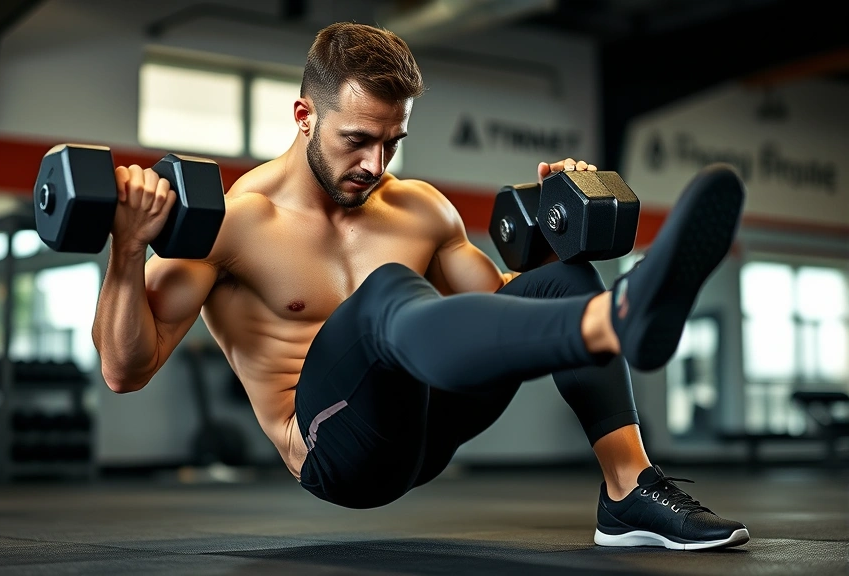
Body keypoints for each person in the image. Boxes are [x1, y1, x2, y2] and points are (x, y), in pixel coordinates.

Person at [92, 22, 749, 551]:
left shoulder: (422, 209)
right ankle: (616, 317)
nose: (374, 164)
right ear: (303, 115)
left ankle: (628, 492)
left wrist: (559, 232)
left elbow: (492, 310)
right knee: (386, 292)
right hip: (336, 454)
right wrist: (128, 246)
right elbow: (125, 370)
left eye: (391, 142)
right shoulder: (233, 222)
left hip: (431, 430)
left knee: (562, 281)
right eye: (356, 140)